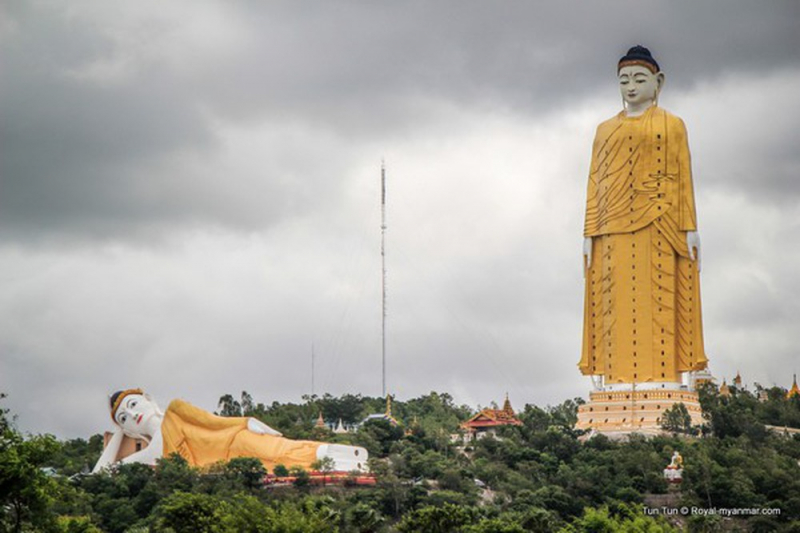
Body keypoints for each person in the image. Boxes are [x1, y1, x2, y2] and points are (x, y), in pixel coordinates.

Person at [578, 46, 707, 388]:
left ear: (658, 81)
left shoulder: (673, 125)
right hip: (612, 228)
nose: (631, 87)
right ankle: (617, 381)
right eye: (624, 80)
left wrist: (690, 227)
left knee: (661, 298)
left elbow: (684, 176)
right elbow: (595, 181)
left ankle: (663, 380)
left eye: (639, 79)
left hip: (661, 223)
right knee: (613, 304)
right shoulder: (604, 130)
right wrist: (589, 231)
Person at [92, 388, 367, 473]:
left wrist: (247, 422)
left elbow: (214, 421)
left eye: (132, 404)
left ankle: (342, 456)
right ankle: (343, 463)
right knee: (281, 464)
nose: (133, 414)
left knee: (283, 449)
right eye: (125, 418)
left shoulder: (175, 411)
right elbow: (100, 474)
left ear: (148, 399)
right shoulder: (154, 450)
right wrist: (119, 432)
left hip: (235, 440)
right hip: (230, 462)